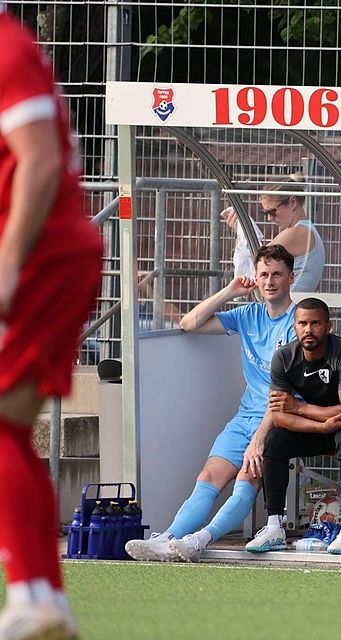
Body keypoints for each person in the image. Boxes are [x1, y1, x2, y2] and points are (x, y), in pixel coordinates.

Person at [0, 8, 103, 638]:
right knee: (9, 431)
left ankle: (34, 596)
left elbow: (38, 163)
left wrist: (8, 268)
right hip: (46, 255)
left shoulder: (6, 49)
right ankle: (41, 598)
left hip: (41, 258)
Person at [125, 244, 297, 562]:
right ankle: (167, 538)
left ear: (290, 277)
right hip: (245, 416)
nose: (270, 281)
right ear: (256, 279)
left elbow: (284, 394)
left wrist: (259, 439)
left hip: (279, 419)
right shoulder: (248, 315)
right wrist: (230, 290)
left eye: (277, 274)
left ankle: (199, 540)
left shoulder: (297, 323)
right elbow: (189, 324)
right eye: (263, 275)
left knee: (246, 482)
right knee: (208, 478)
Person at [243, 297, 341, 555]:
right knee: (275, 440)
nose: (308, 329)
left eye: (315, 323)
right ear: (295, 326)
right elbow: (278, 416)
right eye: (302, 323)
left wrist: (299, 408)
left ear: (328, 326)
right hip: (323, 425)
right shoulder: (284, 358)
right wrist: (321, 426)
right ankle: (274, 526)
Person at [223, 173, 324, 292]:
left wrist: (242, 228)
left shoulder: (298, 233)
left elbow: (258, 261)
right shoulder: (304, 230)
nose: (269, 218)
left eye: (272, 211)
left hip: (289, 307)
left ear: (292, 202)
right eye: (265, 213)